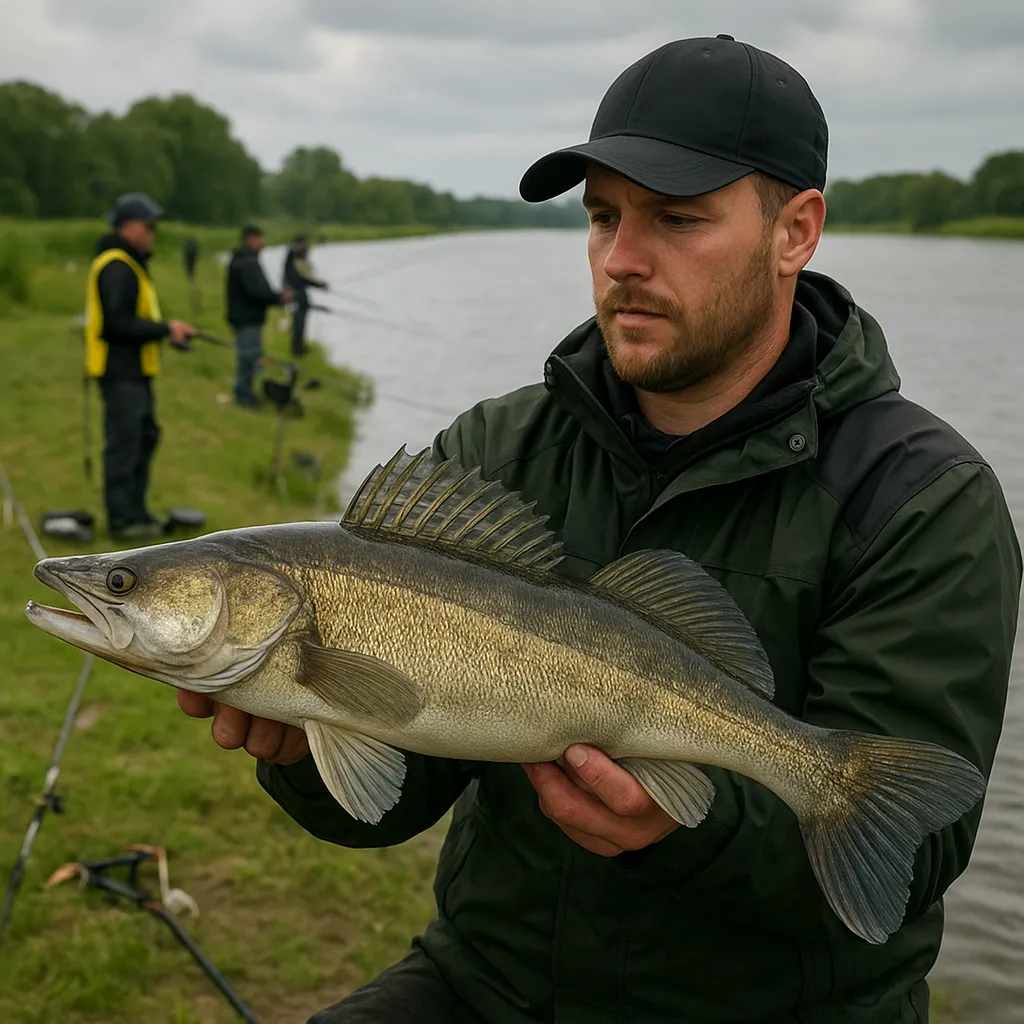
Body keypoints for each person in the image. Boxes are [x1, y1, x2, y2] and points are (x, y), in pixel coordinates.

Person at [177, 35, 1022, 1023]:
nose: (622, 259)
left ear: (794, 232)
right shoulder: (496, 449)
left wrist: (678, 827)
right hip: (490, 983)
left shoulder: (923, 499)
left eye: (676, 218)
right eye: (602, 216)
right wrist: (301, 746)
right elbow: (395, 794)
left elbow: (905, 852)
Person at [85, 192, 195, 541]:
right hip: (119, 373)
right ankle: (122, 522)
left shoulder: (131, 263)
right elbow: (115, 324)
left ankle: (137, 512)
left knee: (145, 438)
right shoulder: (117, 265)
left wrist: (167, 332)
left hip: (136, 373)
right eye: (148, 225)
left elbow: (133, 321)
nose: (153, 232)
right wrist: (164, 329)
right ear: (128, 226)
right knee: (124, 444)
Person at [225, 225, 292, 407]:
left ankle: (245, 392)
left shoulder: (244, 259)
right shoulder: (247, 262)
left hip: (245, 317)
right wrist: (279, 298)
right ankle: (243, 396)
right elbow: (257, 292)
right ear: (250, 239)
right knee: (248, 358)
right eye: (260, 239)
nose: (263, 243)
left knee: (253, 358)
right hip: (246, 319)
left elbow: (259, 291)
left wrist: (277, 298)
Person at [283, 234, 329, 357]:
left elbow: (306, 276)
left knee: (301, 320)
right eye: (306, 245)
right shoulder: (295, 258)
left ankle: (299, 347)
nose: (309, 248)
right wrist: (319, 285)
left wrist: (319, 284)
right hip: (295, 292)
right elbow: (302, 277)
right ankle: (297, 350)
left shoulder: (297, 257)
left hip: (299, 291)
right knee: (298, 321)